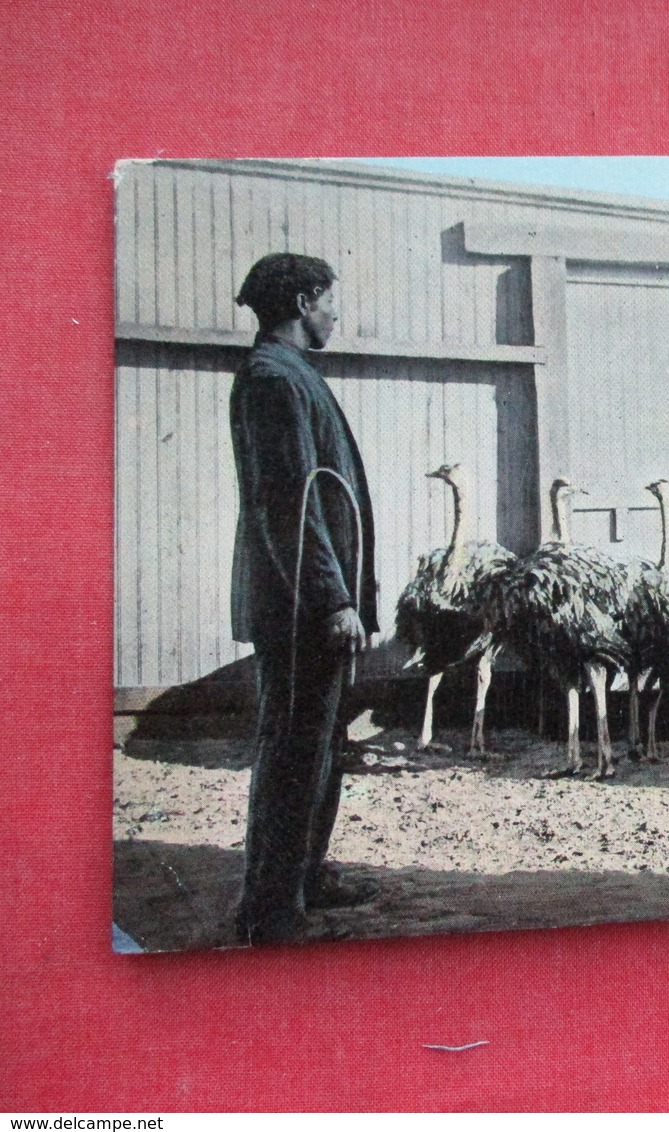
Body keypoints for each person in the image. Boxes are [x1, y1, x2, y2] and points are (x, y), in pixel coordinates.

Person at [228, 253, 379, 944]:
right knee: (294, 748)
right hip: (300, 610)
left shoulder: (292, 375)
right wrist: (330, 601)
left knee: (320, 746)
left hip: (315, 607)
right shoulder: (272, 378)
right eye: (327, 300)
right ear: (300, 300)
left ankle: (305, 876)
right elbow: (290, 505)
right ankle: (269, 908)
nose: (335, 313)